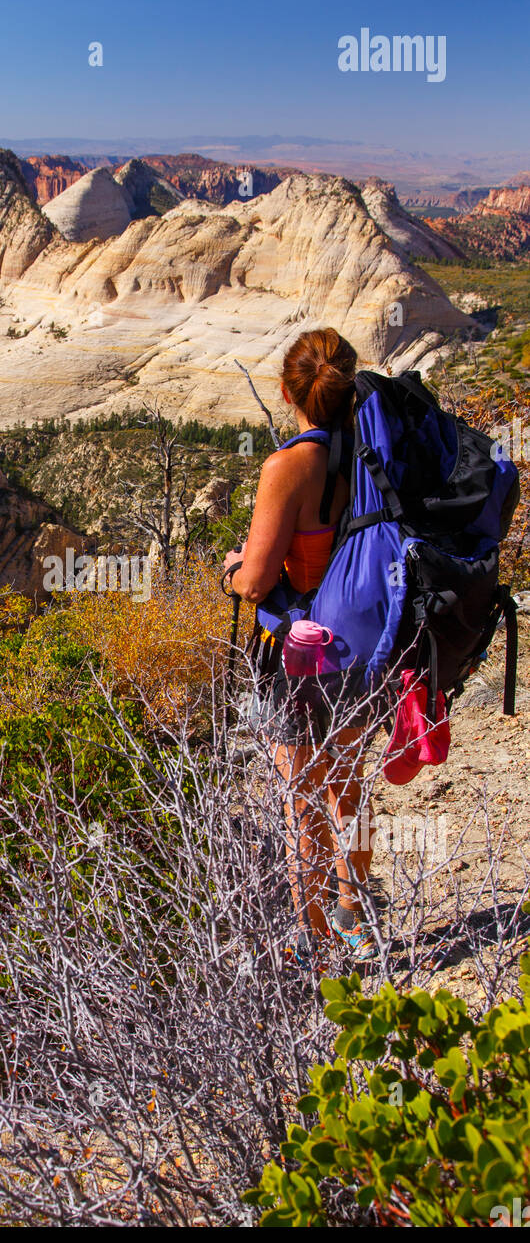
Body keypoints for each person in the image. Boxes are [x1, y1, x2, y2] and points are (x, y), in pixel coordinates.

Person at [222, 328, 377, 965]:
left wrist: (231, 568)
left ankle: (311, 943)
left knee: (301, 798)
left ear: (289, 394)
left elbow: (258, 582)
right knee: (350, 784)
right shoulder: (376, 452)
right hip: (369, 640)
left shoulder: (288, 466)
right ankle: (354, 914)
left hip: (306, 653)